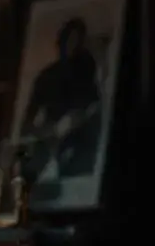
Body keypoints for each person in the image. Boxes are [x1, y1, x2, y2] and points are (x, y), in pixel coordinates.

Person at [20, 17, 103, 188]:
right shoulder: (46, 77)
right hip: (50, 139)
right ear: (61, 42)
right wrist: (47, 131)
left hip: (79, 140)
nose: (72, 47)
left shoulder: (86, 72)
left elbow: (95, 105)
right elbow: (27, 123)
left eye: (77, 42)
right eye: (69, 40)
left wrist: (81, 119)